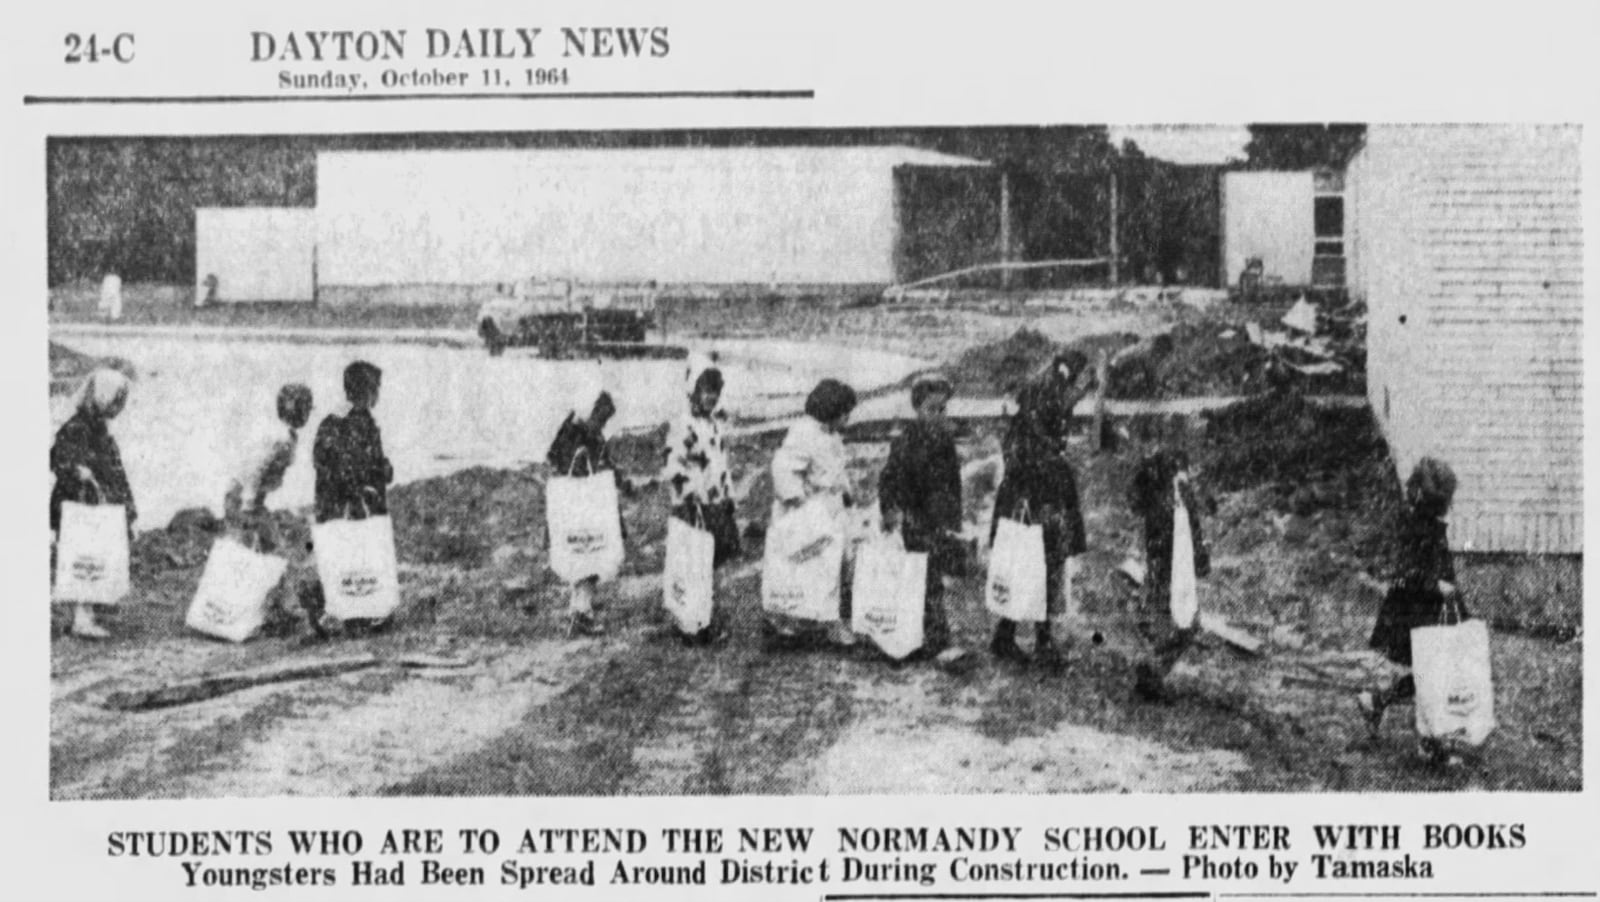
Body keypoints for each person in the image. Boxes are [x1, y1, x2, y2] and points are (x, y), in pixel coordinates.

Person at [988, 352, 1094, 668]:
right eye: (1074, 389)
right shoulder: (1039, 420)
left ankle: (1006, 636)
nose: (1074, 399)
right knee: (1043, 564)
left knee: (1031, 564)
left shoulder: (1038, 407)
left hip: (1031, 494)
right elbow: (1034, 454)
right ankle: (1042, 642)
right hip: (1036, 496)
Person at [1358, 457, 1466, 763]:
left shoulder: (1428, 526)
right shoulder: (1418, 528)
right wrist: (1438, 587)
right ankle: (1429, 744)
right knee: (1430, 677)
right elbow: (1407, 573)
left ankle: (1376, 701)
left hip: (1427, 610)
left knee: (1426, 676)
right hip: (1416, 611)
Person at [878, 374, 966, 661]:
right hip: (914, 519)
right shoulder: (907, 441)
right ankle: (937, 641)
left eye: (943, 409)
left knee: (931, 579)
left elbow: (953, 485)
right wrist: (891, 510)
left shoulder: (945, 441)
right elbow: (888, 479)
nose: (939, 415)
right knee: (924, 581)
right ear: (917, 409)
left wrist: (954, 520)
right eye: (932, 409)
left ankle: (924, 637)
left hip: (937, 520)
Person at [301, 361, 393, 636]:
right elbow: (364, 465)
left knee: (337, 559)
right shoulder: (362, 422)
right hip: (354, 505)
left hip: (332, 503)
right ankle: (354, 612)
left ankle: (333, 607)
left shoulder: (331, 420)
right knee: (358, 559)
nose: (378, 395)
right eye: (377, 389)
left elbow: (323, 461)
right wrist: (376, 478)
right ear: (369, 391)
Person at [766, 378, 859, 649]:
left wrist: (847, 493)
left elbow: (836, 470)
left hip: (830, 508)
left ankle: (828, 620)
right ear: (832, 411)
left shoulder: (832, 435)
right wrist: (798, 501)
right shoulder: (804, 432)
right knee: (806, 566)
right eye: (845, 413)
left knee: (835, 565)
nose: (848, 419)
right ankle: (795, 621)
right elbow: (782, 468)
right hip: (810, 509)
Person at [50, 369, 135, 639]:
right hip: (80, 504)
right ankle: (81, 618)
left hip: (93, 503)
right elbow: (59, 458)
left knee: (93, 558)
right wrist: (78, 471)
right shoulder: (78, 427)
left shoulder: (96, 427)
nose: (119, 408)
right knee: (84, 559)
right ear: (101, 398)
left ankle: (89, 612)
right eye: (116, 401)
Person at [547, 374, 633, 637]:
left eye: (605, 421)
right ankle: (581, 612)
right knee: (588, 558)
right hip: (583, 508)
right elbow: (558, 460)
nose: (601, 425)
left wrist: (620, 480)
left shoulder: (590, 434)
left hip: (589, 507)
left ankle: (579, 609)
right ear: (590, 411)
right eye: (600, 419)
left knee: (587, 558)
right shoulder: (573, 432)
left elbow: (604, 462)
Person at [662, 359, 740, 644]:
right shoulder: (683, 423)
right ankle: (691, 621)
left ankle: (707, 618)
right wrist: (688, 495)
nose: (711, 397)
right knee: (693, 561)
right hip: (694, 504)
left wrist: (729, 494)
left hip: (716, 502)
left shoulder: (713, 424)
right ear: (693, 389)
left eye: (715, 392)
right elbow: (673, 465)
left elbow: (721, 464)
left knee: (714, 563)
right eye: (706, 390)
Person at [1127, 448, 1209, 701]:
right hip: (1170, 574)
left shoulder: (1164, 499)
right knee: (1183, 624)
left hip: (1165, 572)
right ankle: (1151, 672)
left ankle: (1151, 670)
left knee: (1174, 623)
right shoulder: (1171, 501)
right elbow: (1188, 534)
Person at [224, 383, 313, 552]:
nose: (308, 414)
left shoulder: (289, 436)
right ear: (298, 410)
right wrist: (248, 505)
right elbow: (256, 469)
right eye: (306, 409)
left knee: (269, 541)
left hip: (253, 499)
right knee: (258, 547)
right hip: (241, 499)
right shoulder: (279, 438)